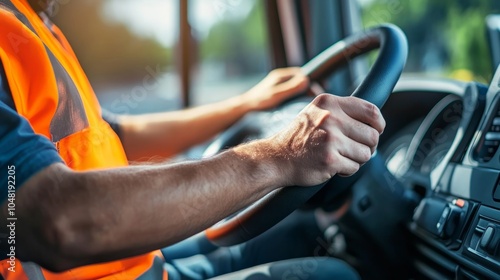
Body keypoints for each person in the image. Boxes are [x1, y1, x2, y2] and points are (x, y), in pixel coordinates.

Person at [0, 0, 385, 279]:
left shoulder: (31, 21)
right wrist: (281, 155)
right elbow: (58, 219)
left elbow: (110, 135)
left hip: (134, 261)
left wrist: (247, 102)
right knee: (336, 274)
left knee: (303, 234)